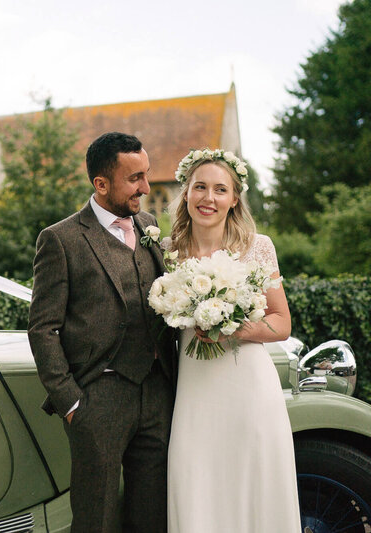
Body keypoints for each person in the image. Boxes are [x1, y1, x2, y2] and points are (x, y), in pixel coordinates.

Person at [28, 132, 177, 533]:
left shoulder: (148, 224)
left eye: (146, 176)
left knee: (153, 515)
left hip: (158, 392)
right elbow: (43, 328)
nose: (146, 188)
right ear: (101, 184)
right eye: (135, 179)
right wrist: (72, 403)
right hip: (98, 399)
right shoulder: (61, 239)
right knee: (97, 518)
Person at [163, 149, 301, 532]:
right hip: (194, 391)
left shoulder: (259, 247)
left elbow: (281, 323)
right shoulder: (167, 251)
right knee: (195, 481)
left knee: (252, 485)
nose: (209, 198)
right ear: (186, 193)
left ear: (235, 198)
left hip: (248, 390)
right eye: (200, 187)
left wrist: (232, 326)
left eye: (220, 189)